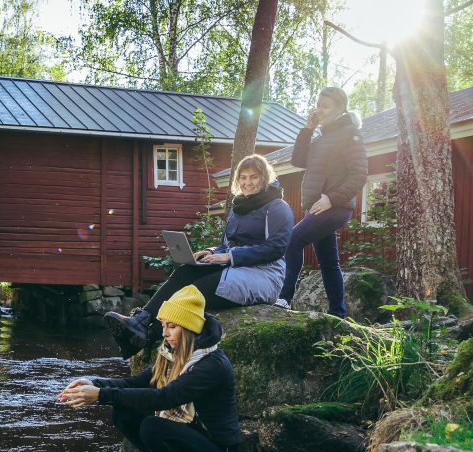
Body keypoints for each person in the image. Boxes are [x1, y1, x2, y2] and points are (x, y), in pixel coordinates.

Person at [58, 285, 239, 452]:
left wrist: (101, 395)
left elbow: (164, 398)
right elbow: (138, 382)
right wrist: (95, 382)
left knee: (152, 426)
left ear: (188, 328)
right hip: (193, 440)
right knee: (122, 413)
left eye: (171, 327)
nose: (164, 333)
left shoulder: (211, 364)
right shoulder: (171, 354)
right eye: (163, 326)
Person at [102, 154, 294, 358]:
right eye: (243, 177)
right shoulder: (237, 208)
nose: (247, 183)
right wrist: (211, 252)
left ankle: (148, 335)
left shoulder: (278, 208)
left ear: (265, 178)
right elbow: (225, 245)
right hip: (235, 266)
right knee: (185, 271)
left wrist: (230, 257)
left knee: (195, 292)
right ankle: (140, 321)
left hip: (264, 275)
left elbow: (276, 249)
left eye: (254, 177)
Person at [273, 86, 368, 317]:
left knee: (292, 240)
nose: (319, 110)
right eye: (318, 105)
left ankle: (284, 299)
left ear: (340, 108)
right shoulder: (322, 137)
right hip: (318, 207)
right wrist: (308, 130)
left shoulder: (349, 134)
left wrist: (331, 199)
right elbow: (297, 160)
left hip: (334, 206)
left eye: (325, 106)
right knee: (328, 262)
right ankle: (338, 313)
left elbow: (360, 174)